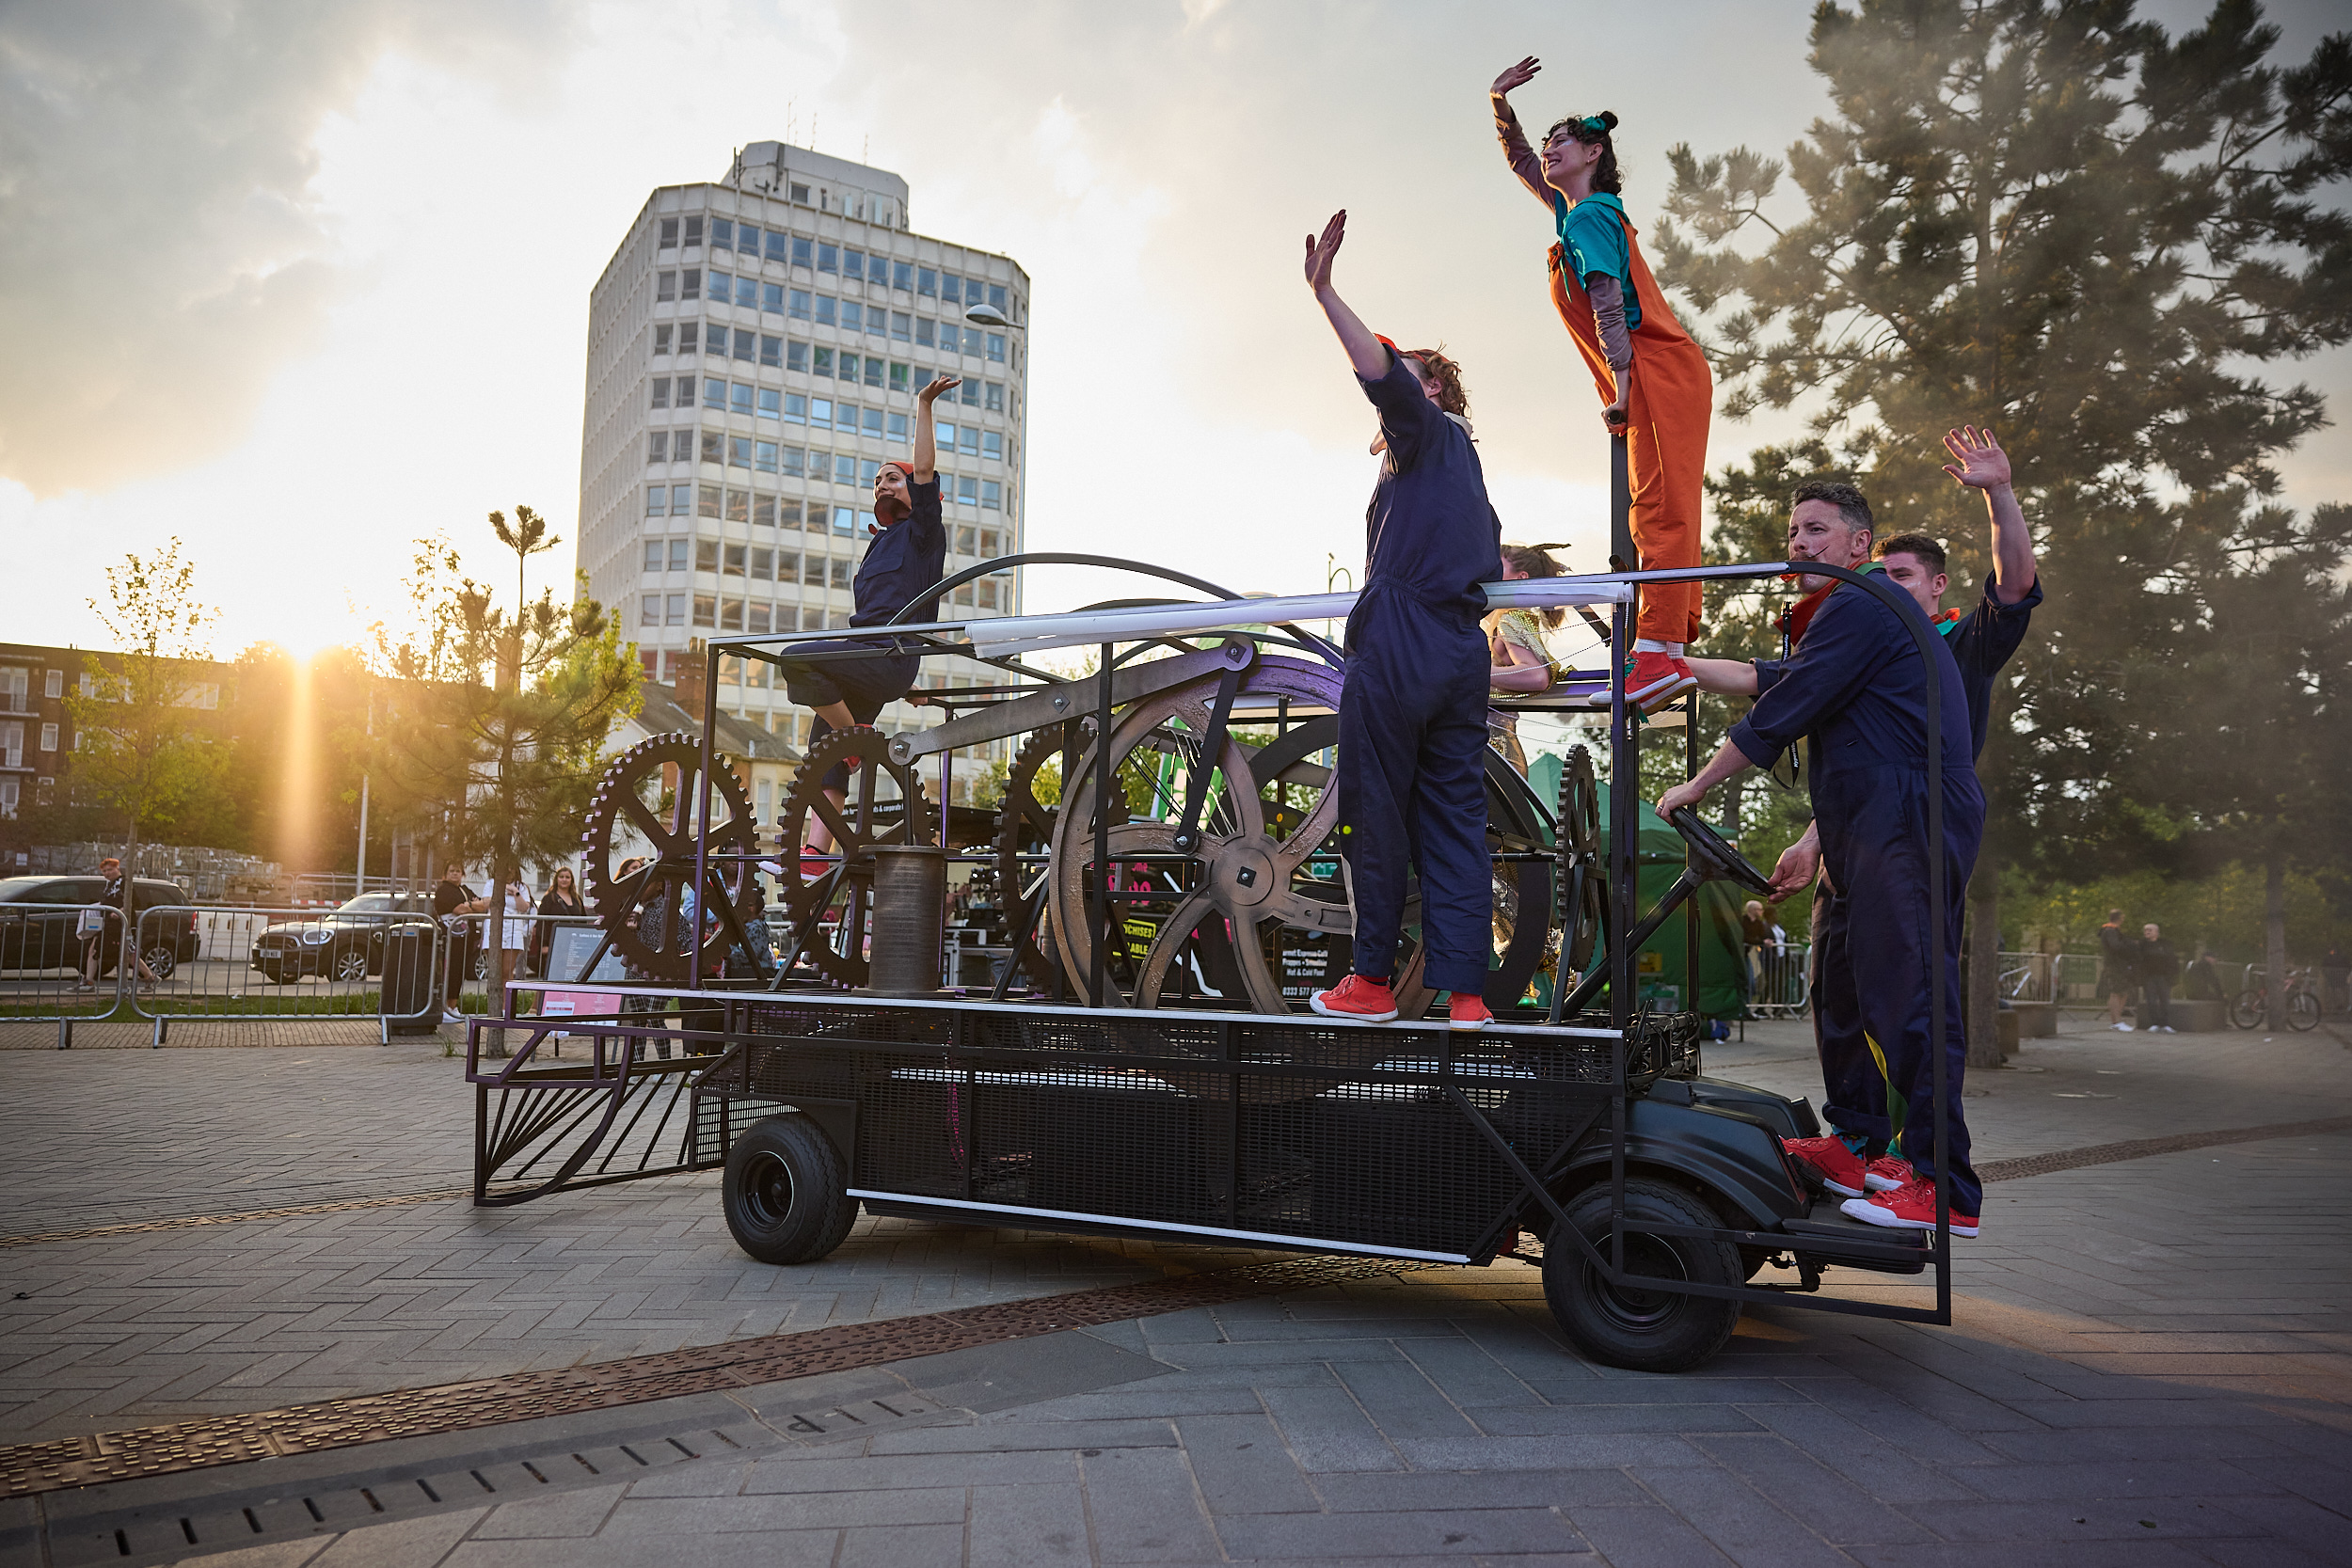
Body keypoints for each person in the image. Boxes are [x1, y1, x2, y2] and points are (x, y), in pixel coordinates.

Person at [1656, 492, 1987, 1237]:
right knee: (1842, 985)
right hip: (1864, 823)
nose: (1796, 543)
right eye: (1791, 531)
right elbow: (1764, 677)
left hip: (1907, 815)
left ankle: (1945, 1184)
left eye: (1815, 530)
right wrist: (1670, 664)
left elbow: (1782, 707)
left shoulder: (1863, 603)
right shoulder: (1851, 616)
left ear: (1857, 542)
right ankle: (1855, 1143)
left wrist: (1697, 785)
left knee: (1911, 992)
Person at [1296, 210, 1502, 1032]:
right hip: (1460, 649)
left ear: (1435, 389)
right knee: (1455, 818)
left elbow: (1383, 375)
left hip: (1406, 636)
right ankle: (1467, 997)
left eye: (1409, 373)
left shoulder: (1424, 430)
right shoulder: (1463, 465)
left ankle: (1372, 981)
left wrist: (1324, 294)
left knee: (1375, 807)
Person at [1490, 59, 1712, 712]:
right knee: (1656, 509)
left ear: (1593, 154)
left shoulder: (1589, 219)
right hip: (1645, 374)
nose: (1551, 150)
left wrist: (1618, 390)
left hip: (1655, 371)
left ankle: (1655, 653)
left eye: (1564, 141)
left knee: (1658, 511)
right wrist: (1500, 101)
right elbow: (1522, 162)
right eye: (1550, 141)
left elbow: (1610, 303)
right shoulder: (1572, 207)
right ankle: (1667, 649)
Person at [777, 373, 957, 863]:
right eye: (877, 481)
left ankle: (855, 741)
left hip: (889, 656)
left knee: (795, 659)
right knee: (825, 760)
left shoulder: (923, 533)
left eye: (891, 478)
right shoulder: (876, 544)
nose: (882, 484)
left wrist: (924, 405)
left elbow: (923, 467)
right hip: (864, 658)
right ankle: (815, 854)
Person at [1486, 543, 1565, 775]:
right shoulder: (1509, 616)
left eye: (1498, 568)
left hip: (1496, 750)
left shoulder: (1510, 618)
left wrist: (1476, 672)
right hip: (1499, 747)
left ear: (1520, 577)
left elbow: (1537, 675)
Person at [77, 855, 159, 992]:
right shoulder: (109, 885)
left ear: (118, 868)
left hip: (120, 924)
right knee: (118, 951)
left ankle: (89, 981)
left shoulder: (124, 882)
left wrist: (120, 912)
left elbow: (134, 901)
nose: (107, 873)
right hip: (109, 924)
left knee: (114, 951)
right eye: (104, 871)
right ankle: (150, 976)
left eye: (109, 870)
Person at [431, 864, 487, 1022]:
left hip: (465, 939)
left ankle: (453, 1006)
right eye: (451, 871)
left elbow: (483, 905)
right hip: (449, 938)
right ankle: (443, 1008)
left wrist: (469, 905)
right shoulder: (444, 890)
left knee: (459, 972)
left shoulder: (464, 889)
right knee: (449, 971)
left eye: (458, 871)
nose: (455, 874)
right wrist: (471, 905)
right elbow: (459, 910)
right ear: (445, 874)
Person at [531, 866, 585, 978]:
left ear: (571, 880)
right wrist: (544, 944)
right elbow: (541, 923)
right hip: (554, 944)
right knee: (549, 978)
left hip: (573, 945)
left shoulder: (577, 899)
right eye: (561, 877)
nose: (564, 880)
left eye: (567, 877)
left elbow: (583, 921)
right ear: (556, 879)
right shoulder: (549, 899)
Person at [2098, 910, 2138, 1031]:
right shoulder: (2110, 931)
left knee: (2123, 992)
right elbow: (2116, 946)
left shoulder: (2112, 931)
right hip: (2115, 965)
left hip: (2119, 965)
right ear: (2120, 918)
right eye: (2123, 918)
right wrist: (2130, 946)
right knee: (2116, 993)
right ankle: (2116, 1021)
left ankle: (2117, 1019)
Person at [2138, 923, 2178, 1033]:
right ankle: (2154, 1023)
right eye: (2146, 930)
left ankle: (2165, 1024)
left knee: (2165, 1000)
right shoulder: (2141, 946)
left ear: (2157, 932)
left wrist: (2172, 976)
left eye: (2150, 930)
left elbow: (2172, 961)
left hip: (2164, 977)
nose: (2147, 932)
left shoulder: (2165, 945)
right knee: (2151, 1000)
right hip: (2149, 977)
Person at [499, 876, 532, 993]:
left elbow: (524, 908)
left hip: (514, 931)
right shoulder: (492, 883)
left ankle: (505, 1007)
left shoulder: (522, 887)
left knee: (507, 971)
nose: (509, 871)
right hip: (496, 930)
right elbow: (487, 902)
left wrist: (515, 891)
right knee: (496, 971)